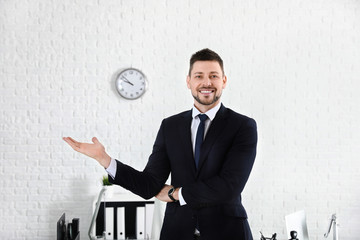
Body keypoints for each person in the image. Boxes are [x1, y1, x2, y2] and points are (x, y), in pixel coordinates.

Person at [63, 48, 257, 240]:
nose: (206, 82)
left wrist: (175, 193)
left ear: (224, 81)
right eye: (199, 76)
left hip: (228, 232)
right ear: (188, 82)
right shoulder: (170, 126)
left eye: (213, 76)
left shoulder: (242, 126)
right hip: (177, 232)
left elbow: (229, 186)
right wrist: (105, 160)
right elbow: (150, 185)